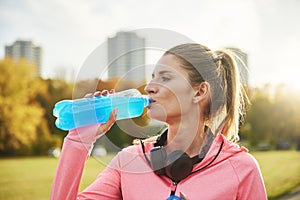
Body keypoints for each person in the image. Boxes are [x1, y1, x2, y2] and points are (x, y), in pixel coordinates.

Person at [50, 43, 267, 200]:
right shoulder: (129, 161)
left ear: (199, 91)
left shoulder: (241, 168)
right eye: (152, 77)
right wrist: (79, 139)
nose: (150, 87)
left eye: (165, 78)